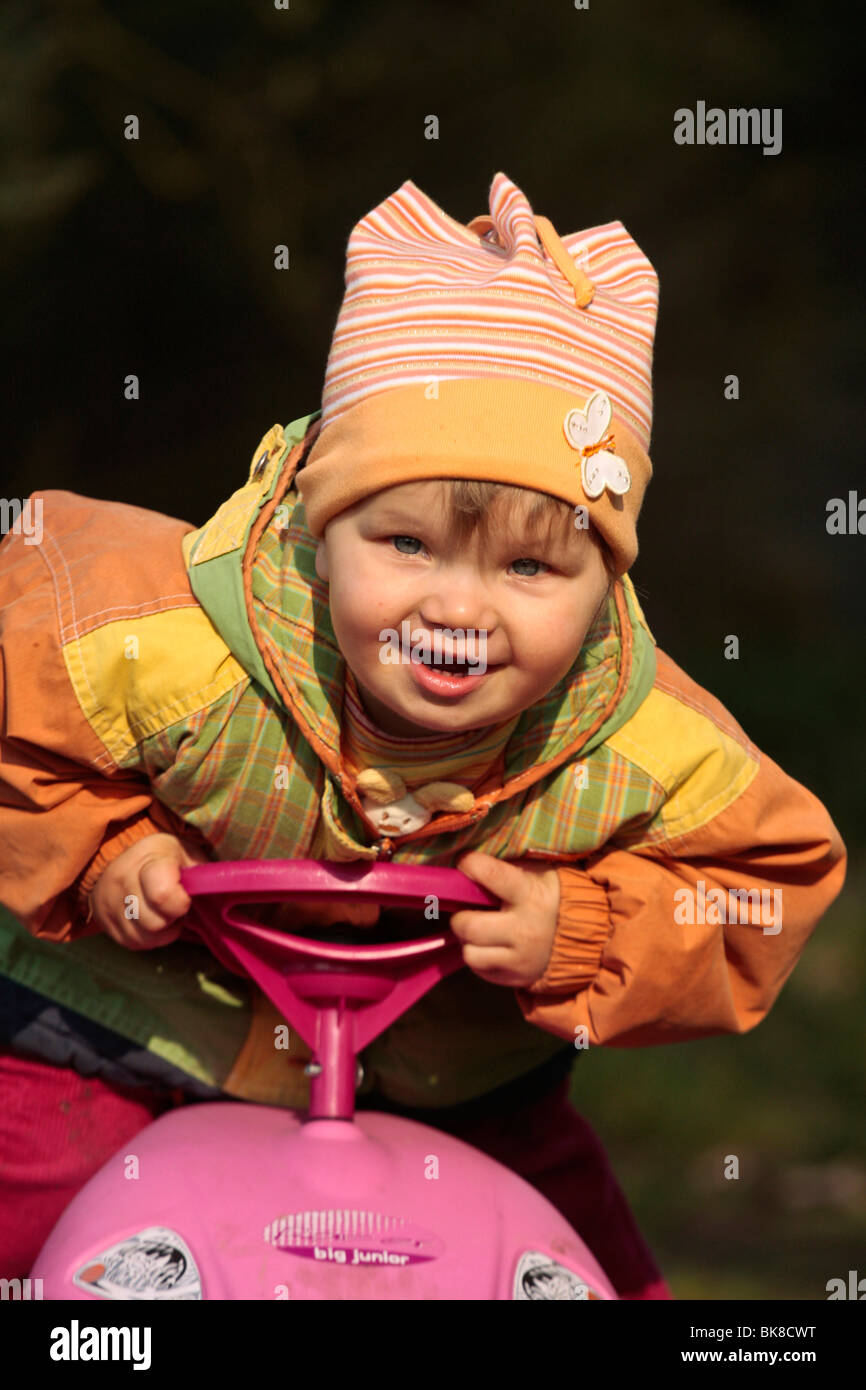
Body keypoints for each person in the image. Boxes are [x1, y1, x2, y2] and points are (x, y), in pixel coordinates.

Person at [0, 173, 846, 1298]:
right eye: (405, 543)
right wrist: (106, 853)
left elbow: (763, 883)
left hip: (453, 1078)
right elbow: (21, 705)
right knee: (34, 1211)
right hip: (129, 1037)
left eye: (530, 565)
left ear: (607, 576)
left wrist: (580, 933)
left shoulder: (640, 739)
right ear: (319, 516)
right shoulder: (162, 637)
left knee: (572, 1265)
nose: (457, 607)